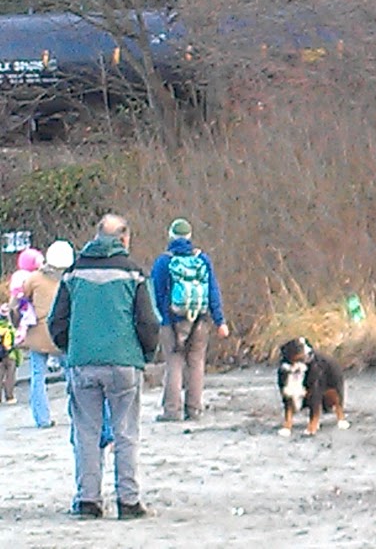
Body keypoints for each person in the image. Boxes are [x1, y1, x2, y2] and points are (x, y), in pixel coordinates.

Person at [48, 214, 159, 521]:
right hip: (124, 363)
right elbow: (148, 322)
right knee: (126, 432)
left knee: (85, 432)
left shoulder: (73, 273)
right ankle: (129, 501)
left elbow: (57, 321)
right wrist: (145, 354)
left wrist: (72, 349)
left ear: (96, 237)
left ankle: (88, 500)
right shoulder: (133, 273)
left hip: (83, 363)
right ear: (124, 238)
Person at [149, 218, 229, 422]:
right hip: (200, 321)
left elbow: (155, 293)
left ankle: (172, 411)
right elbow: (213, 291)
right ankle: (194, 409)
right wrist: (220, 320)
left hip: (171, 321)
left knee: (174, 363)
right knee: (196, 363)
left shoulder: (163, 262)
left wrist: (160, 318)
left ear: (170, 235)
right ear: (189, 236)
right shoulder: (202, 259)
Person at [14, 240, 76, 428]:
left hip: (39, 334)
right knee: (73, 376)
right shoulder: (72, 279)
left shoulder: (34, 279)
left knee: (37, 377)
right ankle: (76, 413)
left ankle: (42, 419)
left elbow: (20, 300)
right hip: (63, 333)